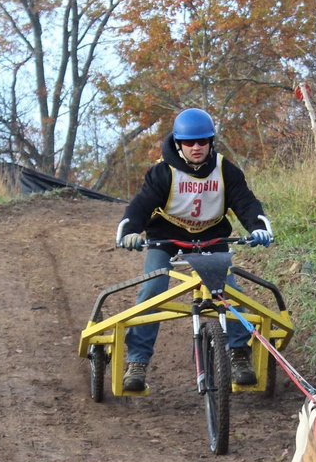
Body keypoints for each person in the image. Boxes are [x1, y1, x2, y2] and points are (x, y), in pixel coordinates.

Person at [115, 108, 274, 392]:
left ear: (211, 141)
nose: (197, 147)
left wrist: (258, 227)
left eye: (203, 141)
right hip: (166, 239)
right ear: (178, 143)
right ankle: (137, 361)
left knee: (229, 290)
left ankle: (239, 354)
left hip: (211, 238)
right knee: (153, 289)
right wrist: (129, 231)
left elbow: (246, 203)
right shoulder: (163, 172)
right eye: (190, 143)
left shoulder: (226, 170)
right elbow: (140, 205)